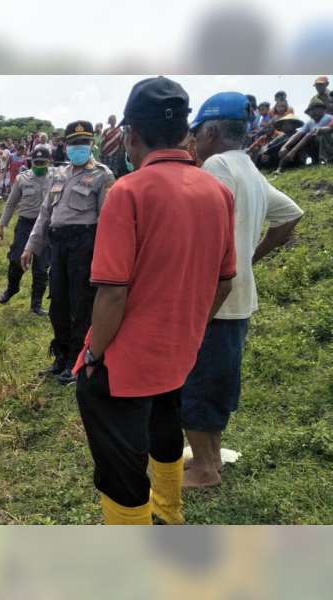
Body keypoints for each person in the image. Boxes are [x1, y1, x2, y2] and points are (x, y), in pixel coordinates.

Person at [72, 77, 237, 525]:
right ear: (186, 132)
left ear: (130, 134)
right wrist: (194, 324)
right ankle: (169, 513)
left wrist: (93, 353)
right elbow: (225, 279)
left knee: (120, 467)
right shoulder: (217, 192)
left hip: (125, 361)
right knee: (165, 425)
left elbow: (112, 291)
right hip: (179, 351)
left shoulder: (129, 191)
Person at [183, 92, 304, 489]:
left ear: (212, 131)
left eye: (197, 132)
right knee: (219, 382)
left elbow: (203, 230)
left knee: (199, 384)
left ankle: (202, 469)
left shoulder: (216, 166)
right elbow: (290, 215)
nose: (194, 141)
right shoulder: (250, 169)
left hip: (212, 300)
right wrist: (251, 255)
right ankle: (212, 459)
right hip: (238, 299)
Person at [21, 123, 115, 385]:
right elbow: (44, 213)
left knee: (80, 304)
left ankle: (76, 358)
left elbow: (106, 221)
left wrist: (103, 258)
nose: (78, 148)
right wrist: (31, 245)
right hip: (58, 244)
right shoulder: (58, 174)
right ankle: (60, 354)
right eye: (74, 144)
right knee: (58, 304)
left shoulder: (102, 175)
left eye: (83, 143)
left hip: (84, 245)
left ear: (91, 145)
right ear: (66, 146)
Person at [0, 145, 53, 317]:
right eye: (36, 162)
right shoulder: (22, 179)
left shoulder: (56, 178)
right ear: (31, 162)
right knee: (16, 260)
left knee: (41, 267)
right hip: (25, 224)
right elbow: (11, 203)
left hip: (46, 226)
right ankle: (12, 289)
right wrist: (1, 226)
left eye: (43, 162)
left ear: (49, 162)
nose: (40, 165)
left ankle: (36, 304)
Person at [275, 98, 333, 172]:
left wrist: (293, 151)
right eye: (311, 110)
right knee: (301, 137)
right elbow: (298, 134)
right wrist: (285, 146)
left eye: (316, 109)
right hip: (316, 147)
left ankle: (325, 159)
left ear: (323, 109)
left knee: (318, 135)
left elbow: (328, 129)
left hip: (329, 146)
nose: (314, 112)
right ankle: (282, 167)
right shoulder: (310, 122)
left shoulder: (329, 118)